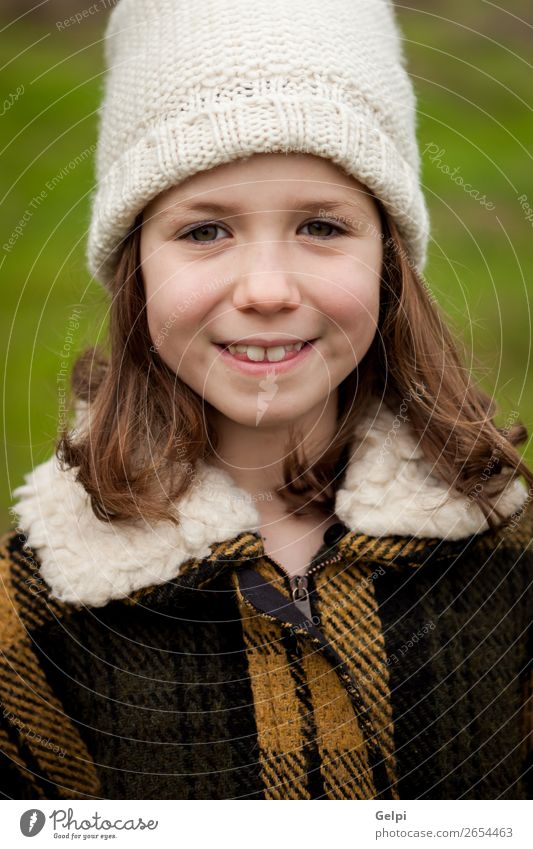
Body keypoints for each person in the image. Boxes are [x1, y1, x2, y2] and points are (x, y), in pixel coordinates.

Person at [1, 0, 532, 801]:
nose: (266, 290)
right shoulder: (31, 619)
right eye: (204, 231)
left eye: (321, 225)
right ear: (135, 267)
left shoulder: (510, 558)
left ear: (388, 260)